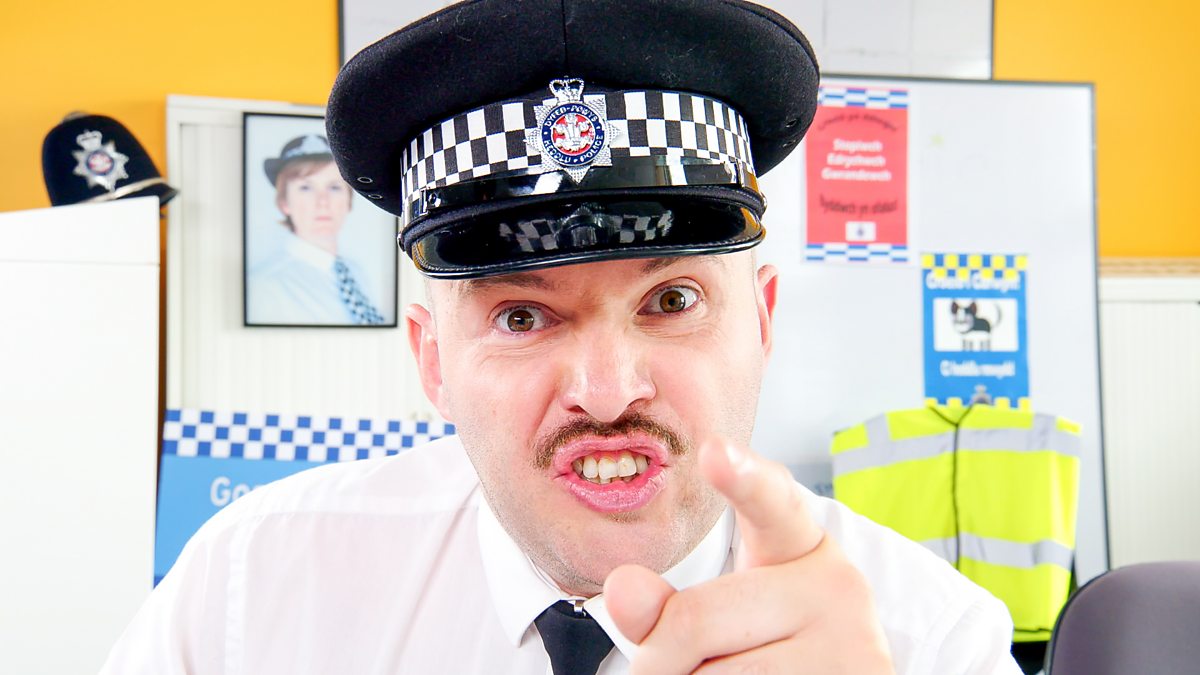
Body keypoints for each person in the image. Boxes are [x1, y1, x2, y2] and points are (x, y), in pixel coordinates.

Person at [103, 1, 1022, 673]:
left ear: (763, 321)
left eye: (671, 301)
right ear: (432, 360)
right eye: (521, 315)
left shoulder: (929, 641)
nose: (608, 391)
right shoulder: (252, 592)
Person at [246, 134, 388, 326]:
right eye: (306, 188)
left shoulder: (357, 273)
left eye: (334, 188)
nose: (322, 202)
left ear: (348, 201)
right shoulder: (265, 285)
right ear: (284, 202)